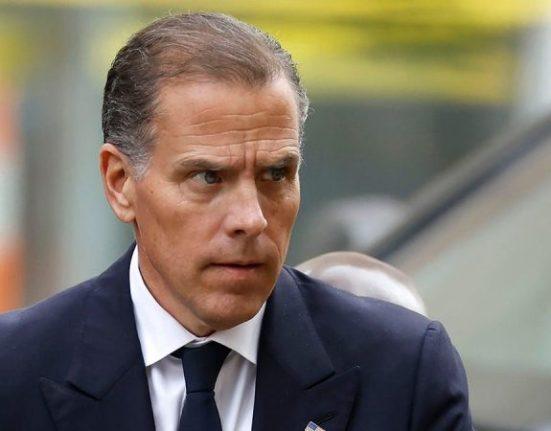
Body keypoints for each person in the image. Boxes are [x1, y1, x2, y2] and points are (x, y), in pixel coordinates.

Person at [0, 12, 472, 431]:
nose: (252, 218)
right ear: (120, 183)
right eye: (209, 177)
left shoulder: (402, 370)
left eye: (276, 174)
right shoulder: (14, 372)